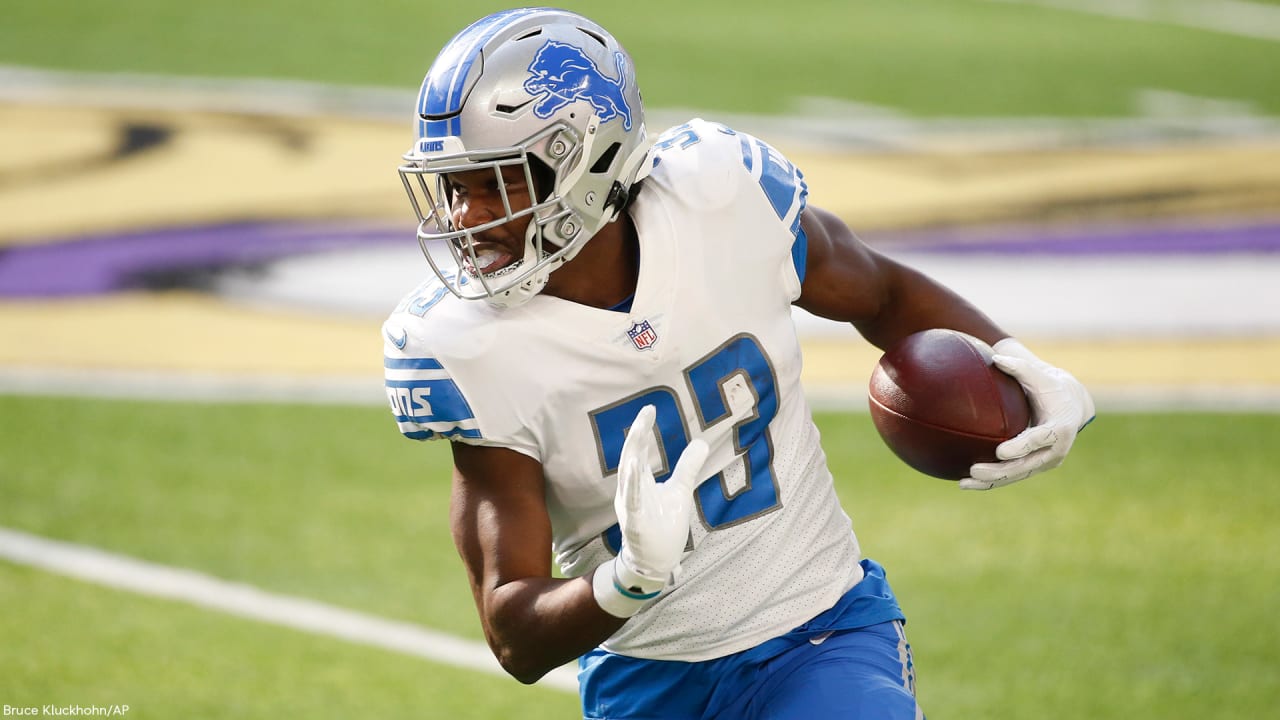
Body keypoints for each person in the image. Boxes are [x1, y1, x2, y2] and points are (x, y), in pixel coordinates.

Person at [381, 7, 1094, 719]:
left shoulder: (718, 197)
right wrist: (626, 581)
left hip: (819, 631)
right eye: (453, 187)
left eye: (494, 184)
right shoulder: (463, 343)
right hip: (647, 682)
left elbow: (880, 291)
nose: (464, 218)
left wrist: (1021, 367)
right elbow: (514, 635)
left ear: (584, 160)